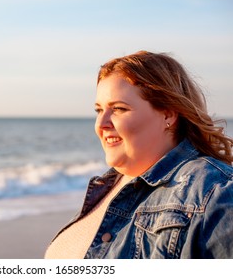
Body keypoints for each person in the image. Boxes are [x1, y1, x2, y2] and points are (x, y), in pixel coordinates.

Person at [45, 50, 233, 259]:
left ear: (168, 114)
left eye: (119, 109)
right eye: (99, 110)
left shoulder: (214, 192)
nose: (102, 124)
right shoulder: (108, 187)